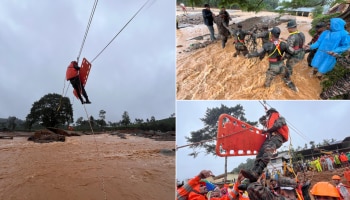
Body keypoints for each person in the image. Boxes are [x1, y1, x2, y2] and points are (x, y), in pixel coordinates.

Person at [240, 107, 289, 184]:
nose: (269, 116)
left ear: (273, 113)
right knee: (260, 154)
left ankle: (257, 173)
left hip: (277, 137)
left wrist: (267, 130)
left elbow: (277, 126)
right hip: (270, 138)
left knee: (267, 151)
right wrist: (264, 116)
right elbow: (261, 121)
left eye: (269, 114)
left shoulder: (281, 118)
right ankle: (251, 179)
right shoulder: (268, 121)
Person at [245, 27, 299, 91]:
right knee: (288, 80)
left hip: (273, 68)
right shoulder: (283, 44)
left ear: (271, 35)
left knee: (266, 86)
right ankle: (295, 90)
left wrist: (248, 55)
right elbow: (293, 52)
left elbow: (257, 53)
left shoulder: (267, 45)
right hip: (282, 66)